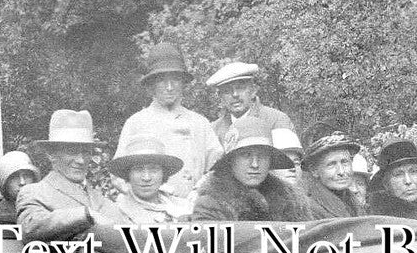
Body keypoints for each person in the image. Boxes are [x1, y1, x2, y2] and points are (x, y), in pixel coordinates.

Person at [115, 42, 222, 201]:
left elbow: (218, 169)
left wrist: (199, 190)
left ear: (183, 83)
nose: (170, 87)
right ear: (151, 85)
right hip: (149, 210)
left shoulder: (200, 123)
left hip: (193, 208)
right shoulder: (136, 122)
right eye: (162, 80)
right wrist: (149, 192)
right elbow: (117, 176)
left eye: (175, 80)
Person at [16, 110, 124, 241]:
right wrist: (85, 214)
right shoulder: (35, 193)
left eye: (86, 152)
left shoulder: (101, 199)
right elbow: (30, 228)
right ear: (51, 154)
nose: (81, 160)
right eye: (72, 151)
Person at [192, 125, 313, 222]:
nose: (255, 164)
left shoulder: (292, 202)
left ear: (270, 161)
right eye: (246, 155)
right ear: (231, 160)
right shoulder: (211, 203)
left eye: (262, 156)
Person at [206, 62, 295, 149]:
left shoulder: (276, 121)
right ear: (221, 98)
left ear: (253, 91)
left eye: (240, 88)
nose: (235, 94)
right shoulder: (214, 130)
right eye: (227, 91)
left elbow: (288, 161)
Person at [109, 136, 187, 225]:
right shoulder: (118, 214)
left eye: (153, 169)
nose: (146, 178)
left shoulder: (183, 206)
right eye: (138, 170)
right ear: (128, 174)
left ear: (163, 173)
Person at [366, 139, 417, 221]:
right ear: (386, 183)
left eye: (413, 171)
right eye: (398, 174)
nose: (408, 181)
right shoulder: (378, 218)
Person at [301, 134, 363, 219]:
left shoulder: (353, 202)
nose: (341, 171)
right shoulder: (309, 207)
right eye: (331, 164)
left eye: (345, 162)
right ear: (314, 171)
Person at [0, 150, 40, 220]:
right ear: (5, 183)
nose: (22, 182)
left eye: (26, 175)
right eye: (14, 177)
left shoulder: (44, 208)